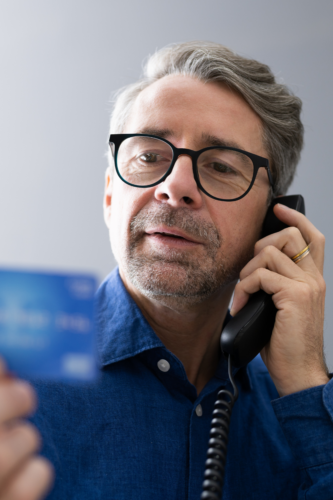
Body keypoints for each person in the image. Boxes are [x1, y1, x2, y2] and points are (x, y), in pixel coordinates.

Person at [0, 41, 332, 500]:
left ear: (273, 219)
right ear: (110, 195)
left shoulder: (300, 406)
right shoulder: (10, 362)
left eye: (219, 166)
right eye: (149, 157)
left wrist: (308, 385)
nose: (174, 187)